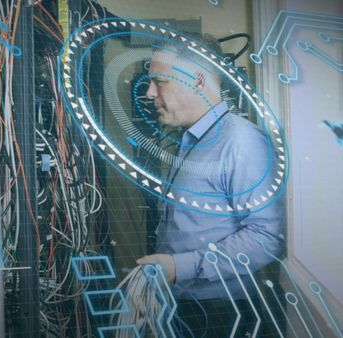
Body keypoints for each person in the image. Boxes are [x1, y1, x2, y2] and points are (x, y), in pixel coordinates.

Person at [136, 33, 285, 337]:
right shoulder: (193, 139)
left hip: (222, 312)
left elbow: (268, 237)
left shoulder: (242, 142)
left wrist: (180, 267)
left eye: (160, 81)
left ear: (199, 81)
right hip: (186, 306)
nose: (150, 93)